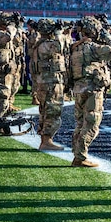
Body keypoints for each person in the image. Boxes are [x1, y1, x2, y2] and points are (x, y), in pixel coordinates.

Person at [69, 16, 111, 167]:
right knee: (92, 123)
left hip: (79, 88)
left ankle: (77, 153)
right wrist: (107, 36)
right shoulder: (92, 47)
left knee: (80, 123)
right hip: (92, 89)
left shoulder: (76, 48)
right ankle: (81, 156)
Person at [29, 19, 70, 151]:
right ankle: (46, 141)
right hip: (50, 83)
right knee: (52, 111)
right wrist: (58, 31)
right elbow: (59, 46)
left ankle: (45, 140)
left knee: (46, 110)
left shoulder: (39, 44)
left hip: (45, 82)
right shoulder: (46, 45)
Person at [0, 12, 23, 125]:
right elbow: (8, 38)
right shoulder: (0, 34)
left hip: (4, 72)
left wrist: (17, 25)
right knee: (2, 96)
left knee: (4, 96)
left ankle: (0, 121)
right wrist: (12, 27)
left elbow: (17, 40)